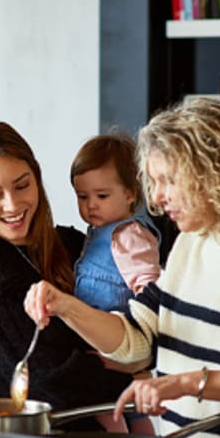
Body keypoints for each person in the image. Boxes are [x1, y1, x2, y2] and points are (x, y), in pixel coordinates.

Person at [25, 98, 220, 438]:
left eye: (168, 181)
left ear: (214, 173)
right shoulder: (191, 243)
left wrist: (183, 383)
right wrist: (63, 305)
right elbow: (135, 340)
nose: (158, 199)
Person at [0, 122, 148, 432]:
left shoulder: (75, 245)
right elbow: (47, 383)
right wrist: (137, 377)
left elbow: (152, 325)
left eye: (22, 186)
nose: (13, 205)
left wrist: (144, 361)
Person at [70, 132, 161, 312]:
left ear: (130, 194)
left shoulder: (129, 236)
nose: (91, 205)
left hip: (120, 334)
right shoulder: (97, 234)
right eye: (82, 196)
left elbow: (149, 290)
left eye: (102, 196)